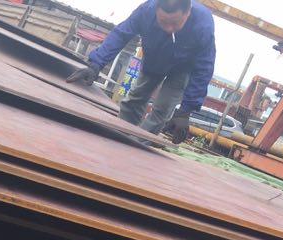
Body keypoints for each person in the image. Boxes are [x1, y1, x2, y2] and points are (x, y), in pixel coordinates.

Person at [67, 0, 216, 144]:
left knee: (162, 109)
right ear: (156, 9)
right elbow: (121, 34)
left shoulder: (202, 22)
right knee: (135, 99)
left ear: (187, 12)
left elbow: (205, 65)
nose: (168, 28)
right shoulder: (146, 10)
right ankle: (118, 137)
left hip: (182, 68)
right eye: (163, 22)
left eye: (175, 23)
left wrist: (186, 111)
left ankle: (136, 146)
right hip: (154, 60)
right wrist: (96, 63)